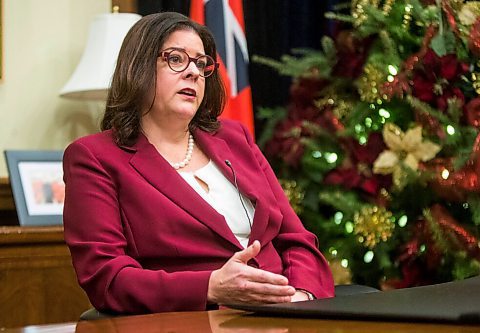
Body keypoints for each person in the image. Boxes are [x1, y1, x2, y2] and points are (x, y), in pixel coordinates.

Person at [63, 11, 334, 315]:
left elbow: (296, 239)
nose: (193, 72)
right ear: (137, 67)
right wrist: (211, 286)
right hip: (193, 319)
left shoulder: (234, 139)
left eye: (201, 64)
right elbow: (107, 278)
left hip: (286, 314)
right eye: (176, 59)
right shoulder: (94, 157)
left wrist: (302, 296)